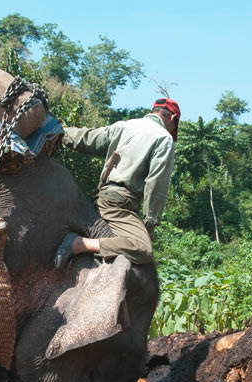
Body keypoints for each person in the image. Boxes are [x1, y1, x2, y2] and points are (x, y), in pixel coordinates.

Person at [54, 98, 179, 267]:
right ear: (173, 118)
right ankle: (78, 244)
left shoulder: (125, 125)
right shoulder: (164, 138)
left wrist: (57, 131)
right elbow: (156, 184)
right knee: (143, 249)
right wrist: (150, 225)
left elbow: (87, 138)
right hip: (120, 204)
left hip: (103, 196)